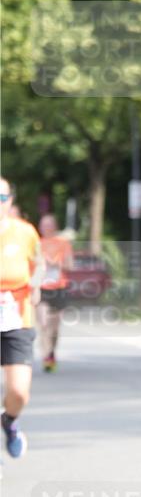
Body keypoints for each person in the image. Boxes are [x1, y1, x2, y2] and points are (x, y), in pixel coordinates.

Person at [0, 178, 42, 458]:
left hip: (16, 318)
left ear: (10, 201)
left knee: (19, 392)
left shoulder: (25, 232)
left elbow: (40, 264)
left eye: (1, 198)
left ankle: (9, 421)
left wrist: (35, 285)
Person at [36, 214, 73, 372]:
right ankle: (46, 357)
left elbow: (70, 266)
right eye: (43, 225)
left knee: (54, 328)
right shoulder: (36, 243)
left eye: (49, 225)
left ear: (55, 226)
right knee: (43, 324)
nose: (46, 228)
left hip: (59, 288)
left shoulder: (63, 243)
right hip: (41, 288)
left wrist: (56, 264)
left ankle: (51, 352)